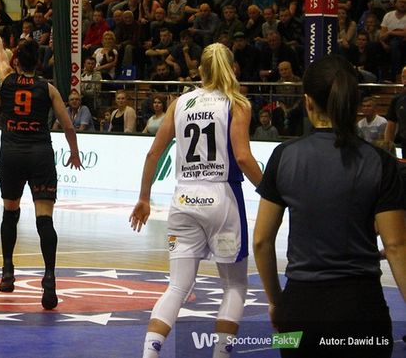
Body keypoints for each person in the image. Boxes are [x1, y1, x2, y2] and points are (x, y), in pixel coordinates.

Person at [253, 55, 406, 358]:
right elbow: (396, 247)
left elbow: (261, 241)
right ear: (354, 102)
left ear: (307, 102)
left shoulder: (284, 156)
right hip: (362, 309)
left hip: (299, 309)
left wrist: (276, 303)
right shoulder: (381, 163)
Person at [130, 42, 262, 358]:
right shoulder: (236, 103)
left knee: (177, 287)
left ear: (200, 70)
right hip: (222, 200)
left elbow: (153, 153)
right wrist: (270, 189)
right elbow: (243, 158)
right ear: (233, 68)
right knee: (234, 286)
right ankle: (220, 354)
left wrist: (144, 198)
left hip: (184, 198)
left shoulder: (180, 103)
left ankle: (149, 354)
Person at [0, 0, 82, 310]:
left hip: (11, 154)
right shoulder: (48, 88)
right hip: (40, 154)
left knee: (10, 212)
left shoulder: (6, 79)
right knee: (45, 219)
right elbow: (68, 125)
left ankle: (7, 271)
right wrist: (74, 153)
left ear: (16, 61)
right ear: (39, 63)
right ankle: (49, 278)